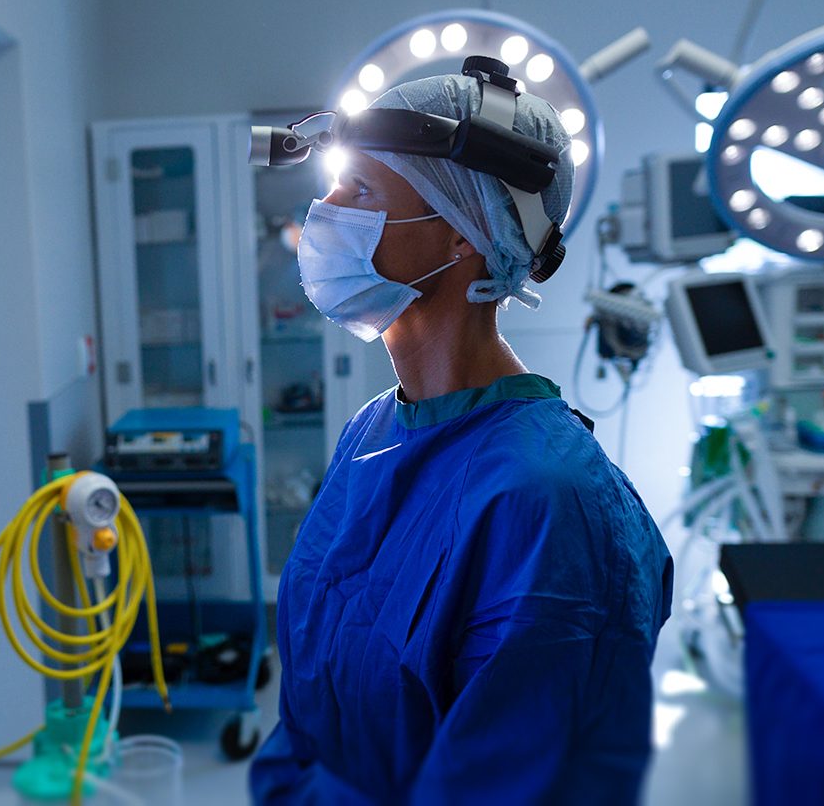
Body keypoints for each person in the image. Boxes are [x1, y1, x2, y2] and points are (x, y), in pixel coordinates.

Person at [250, 73, 673, 804]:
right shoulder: (372, 432)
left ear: (462, 233)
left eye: (362, 193)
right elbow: (310, 717)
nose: (323, 214)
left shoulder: (551, 504)